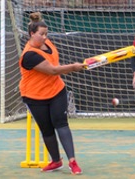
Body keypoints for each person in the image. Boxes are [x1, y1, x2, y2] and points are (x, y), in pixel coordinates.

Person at [18, 12, 86, 174]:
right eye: (41, 34)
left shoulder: (46, 42)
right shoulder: (29, 55)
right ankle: (56, 161)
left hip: (56, 91)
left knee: (61, 123)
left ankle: (72, 162)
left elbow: (54, 72)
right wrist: (73, 67)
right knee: (47, 129)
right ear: (32, 34)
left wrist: (37, 22)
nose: (45, 37)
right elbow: (53, 70)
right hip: (35, 96)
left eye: (46, 34)